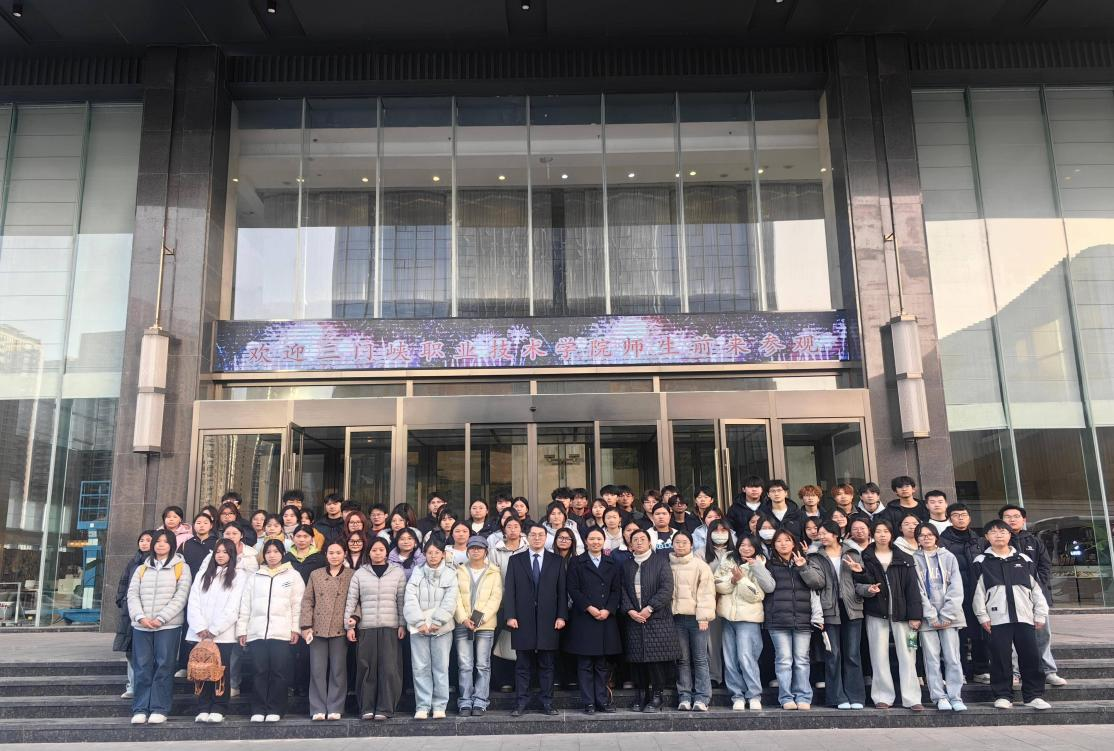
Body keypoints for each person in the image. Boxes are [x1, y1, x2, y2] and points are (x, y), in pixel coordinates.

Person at [972, 520, 1051, 710]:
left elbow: (1036, 589)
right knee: (1000, 658)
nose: (998, 535)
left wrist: (1040, 614)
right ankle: (1003, 695)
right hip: (997, 619)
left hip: (1025, 617)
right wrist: (982, 616)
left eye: (1002, 531)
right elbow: (977, 593)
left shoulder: (1024, 559)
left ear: (1009, 535)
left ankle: (1033, 696)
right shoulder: (981, 562)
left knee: (1031, 656)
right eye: (993, 532)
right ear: (986, 537)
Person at [856, 519, 924, 710]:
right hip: (876, 612)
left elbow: (912, 589)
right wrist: (862, 575)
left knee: (908, 655)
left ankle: (912, 698)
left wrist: (915, 615)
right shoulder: (866, 557)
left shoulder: (904, 558)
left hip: (904, 615)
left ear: (892, 534)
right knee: (878, 655)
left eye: (886, 531)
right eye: (878, 531)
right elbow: (864, 583)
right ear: (872, 534)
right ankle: (882, 696)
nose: (882, 535)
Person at [126, 529, 190, 725]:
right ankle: (140, 708)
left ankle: (159, 708)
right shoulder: (142, 568)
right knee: (142, 667)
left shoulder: (181, 567)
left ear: (172, 545)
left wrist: (162, 618)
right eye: (158, 541)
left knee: (164, 666)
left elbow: (181, 596)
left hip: (168, 626)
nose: (161, 545)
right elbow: (132, 594)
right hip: (142, 626)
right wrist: (140, 617)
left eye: (165, 541)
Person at [503, 523, 568, 716]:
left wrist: (561, 615)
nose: (537, 538)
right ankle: (520, 703)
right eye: (533, 535)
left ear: (546, 538)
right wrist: (510, 615)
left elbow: (562, 591)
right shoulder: (516, 560)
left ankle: (547, 702)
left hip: (549, 619)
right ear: (527, 537)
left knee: (547, 664)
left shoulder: (557, 561)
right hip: (522, 619)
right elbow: (510, 590)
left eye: (541, 535)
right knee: (522, 665)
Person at [238, 539, 304, 722]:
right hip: (257, 632)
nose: (272, 555)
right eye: (268, 552)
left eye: (276, 551)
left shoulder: (293, 576)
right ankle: (258, 709)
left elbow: (297, 605)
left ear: (282, 554)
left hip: (281, 632)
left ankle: (276, 709)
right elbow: (246, 605)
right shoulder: (255, 576)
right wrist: (242, 630)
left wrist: (295, 629)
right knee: (259, 671)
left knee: (279, 672)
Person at [999, 504, 1064, 686]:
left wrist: (1036, 585)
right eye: (1007, 517)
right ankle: (1014, 672)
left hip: (1036, 596)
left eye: (1016, 516)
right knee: (1012, 637)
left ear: (1024, 520)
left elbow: (1045, 566)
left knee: (1042, 634)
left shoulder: (1034, 541)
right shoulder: (998, 542)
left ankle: (1048, 671)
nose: (1012, 519)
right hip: (1009, 596)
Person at [805, 521, 868, 710]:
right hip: (829, 608)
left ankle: (856, 696)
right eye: (820, 533)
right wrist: (804, 568)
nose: (821, 536)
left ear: (835, 534)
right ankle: (837, 697)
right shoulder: (815, 556)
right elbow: (816, 583)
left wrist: (862, 577)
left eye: (825, 533)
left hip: (852, 607)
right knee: (833, 654)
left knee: (853, 654)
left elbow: (860, 581)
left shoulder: (853, 553)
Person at [345, 536, 406, 720]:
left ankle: (385, 708)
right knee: (366, 668)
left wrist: (402, 624)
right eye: (374, 550)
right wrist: (349, 626)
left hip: (390, 627)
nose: (377, 553)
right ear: (368, 552)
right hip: (366, 627)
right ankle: (367, 707)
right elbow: (352, 601)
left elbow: (401, 601)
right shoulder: (360, 574)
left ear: (387, 552)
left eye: (381, 550)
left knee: (389, 669)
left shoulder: (397, 573)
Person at [186, 539, 245, 723]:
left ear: (232, 554)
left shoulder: (238, 576)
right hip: (200, 633)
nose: (220, 555)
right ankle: (203, 707)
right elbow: (193, 602)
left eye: (225, 552)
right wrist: (200, 627)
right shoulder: (203, 574)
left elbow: (234, 606)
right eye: (218, 552)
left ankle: (219, 707)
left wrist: (214, 630)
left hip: (223, 634)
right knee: (201, 670)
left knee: (221, 671)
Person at [619, 529, 678, 712]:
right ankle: (641, 694)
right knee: (638, 661)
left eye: (642, 539)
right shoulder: (626, 565)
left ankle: (657, 696)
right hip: (634, 619)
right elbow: (621, 589)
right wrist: (630, 610)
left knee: (656, 661)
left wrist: (650, 608)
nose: (638, 542)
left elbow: (667, 588)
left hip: (656, 618)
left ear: (649, 542)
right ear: (630, 545)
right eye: (635, 539)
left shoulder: (660, 562)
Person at [765, 529, 824, 710]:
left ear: (793, 543)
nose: (783, 544)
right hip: (778, 620)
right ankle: (786, 698)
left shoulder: (806, 561)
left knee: (801, 660)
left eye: (787, 540)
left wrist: (803, 567)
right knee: (784, 660)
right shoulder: (769, 565)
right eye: (779, 541)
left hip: (803, 619)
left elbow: (818, 583)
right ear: (774, 545)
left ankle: (804, 696)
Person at [714, 534, 774, 710]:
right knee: (730, 660)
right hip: (727, 617)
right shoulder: (728, 560)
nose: (745, 548)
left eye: (750, 545)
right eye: (742, 545)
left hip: (748, 619)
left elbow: (756, 595)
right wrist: (732, 580)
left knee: (747, 658)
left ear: (755, 548)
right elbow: (717, 584)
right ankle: (737, 696)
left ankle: (754, 695)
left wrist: (741, 580)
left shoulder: (759, 563)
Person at [565, 527, 621, 713]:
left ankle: (602, 701)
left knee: (602, 664)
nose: (596, 542)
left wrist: (608, 610)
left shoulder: (611, 562)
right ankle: (588, 702)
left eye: (599, 539)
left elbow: (616, 590)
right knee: (585, 664)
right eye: (592, 539)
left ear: (603, 541)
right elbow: (573, 589)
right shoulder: (576, 562)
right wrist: (589, 607)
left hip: (605, 618)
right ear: (586, 541)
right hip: (584, 617)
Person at [912, 523, 967, 712]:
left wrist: (946, 614)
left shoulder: (949, 557)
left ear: (936, 536)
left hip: (950, 618)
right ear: (917, 539)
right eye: (922, 535)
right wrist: (931, 615)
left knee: (953, 658)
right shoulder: (913, 559)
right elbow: (917, 591)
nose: (926, 538)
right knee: (931, 659)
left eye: (929, 534)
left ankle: (955, 696)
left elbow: (956, 587)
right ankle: (938, 697)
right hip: (927, 619)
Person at [300, 540, 354, 721]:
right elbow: (307, 601)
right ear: (326, 555)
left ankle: (335, 707)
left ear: (344, 554)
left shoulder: (352, 575)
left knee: (338, 669)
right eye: (331, 553)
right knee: (317, 669)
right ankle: (317, 708)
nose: (334, 556)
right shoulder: (316, 574)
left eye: (338, 552)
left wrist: (353, 621)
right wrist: (306, 625)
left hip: (340, 627)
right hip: (317, 627)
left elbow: (357, 600)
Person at [403, 539, 457, 720]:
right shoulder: (417, 572)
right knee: (420, 667)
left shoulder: (450, 574)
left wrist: (438, 621)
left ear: (443, 554)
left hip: (442, 628)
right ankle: (423, 706)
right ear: (424, 554)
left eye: (436, 552)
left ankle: (440, 705)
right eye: (429, 553)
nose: (433, 556)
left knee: (441, 667)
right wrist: (419, 622)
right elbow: (410, 598)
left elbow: (451, 600)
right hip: (419, 628)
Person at [454, 536, 503, 716]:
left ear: (485, 551)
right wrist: (463, 618)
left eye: (479, 548)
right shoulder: (459, 571)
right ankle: (465, 701)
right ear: (467, 550)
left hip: (485, 625)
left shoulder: (494, 572)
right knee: (465, 665)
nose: (476, 551)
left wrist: (480, 619)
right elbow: (455, 597)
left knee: (483, 665)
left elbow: (495, 598)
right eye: (472, 548)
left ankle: (480, 701)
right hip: (463, 624)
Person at [940, 502, 990, 683]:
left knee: (980, 635)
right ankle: (958, 671)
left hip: (976, 593)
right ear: (949, 518)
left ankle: (980, 670)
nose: (960, 518)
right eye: (956, 515)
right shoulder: (942, 542)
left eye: (964, 515)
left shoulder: (979, 541)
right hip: (954, 595)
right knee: (957, 635)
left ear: (969, 518)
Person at [669, 530, 715, 711]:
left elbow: (707, 593)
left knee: (700, 659)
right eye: (677, 542)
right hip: (676, 619)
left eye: (684, 542)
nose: (680, 545)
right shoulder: (667, 565)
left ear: (691, 545)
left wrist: (704, 616)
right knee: (682, 659)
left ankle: (702, 697)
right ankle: (685, 696)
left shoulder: (700, 566)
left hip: (697, 620)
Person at [115, 530, 153, 700]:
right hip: (129, 610)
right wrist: (121, 600)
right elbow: (123, 581)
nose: (144, 543)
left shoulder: (156, 562)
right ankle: (132, 685)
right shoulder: (133, 561)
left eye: (148, 540)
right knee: (130, 650)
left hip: (149, 611)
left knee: (145, 652)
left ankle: (144, 685)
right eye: (141, 540)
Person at [182, 512, 218, 577]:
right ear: (194, 526)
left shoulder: (217, 543)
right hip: (189, 580)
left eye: (205, 523)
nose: (202, 525)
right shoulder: (186, 544)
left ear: (211, 526)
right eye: (198, 523)